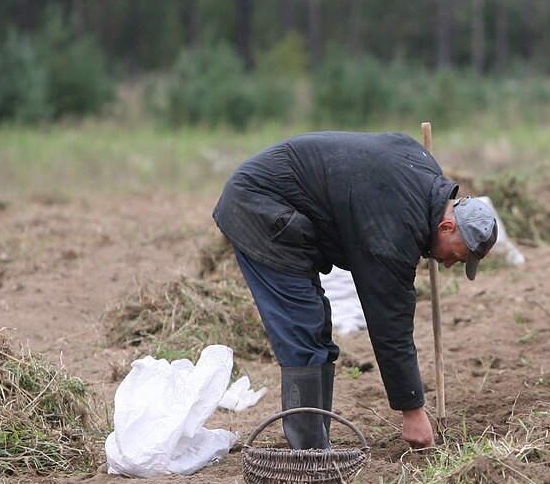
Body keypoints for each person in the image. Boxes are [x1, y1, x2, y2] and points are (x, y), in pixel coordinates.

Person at [214, 131, 499, 451]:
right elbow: (390, 324)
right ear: (447, 227)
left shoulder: (425, 177)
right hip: (258, 206)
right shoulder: (394, 228)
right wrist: (413, 412)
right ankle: (309, 454)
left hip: (289, 209)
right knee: (301, 328)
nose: (447, 264)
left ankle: (315, 442)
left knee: (316, 327)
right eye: (455, 255)